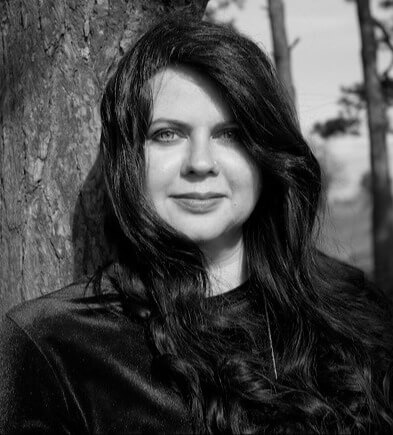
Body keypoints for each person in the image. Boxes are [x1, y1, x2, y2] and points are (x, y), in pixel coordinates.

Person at [1, 16, 392, 434]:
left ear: (266, 153)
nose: (201, 163)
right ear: (129, 157)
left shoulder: (356, 308)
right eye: (168, 134)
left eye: (230, 134)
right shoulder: (52, 345)